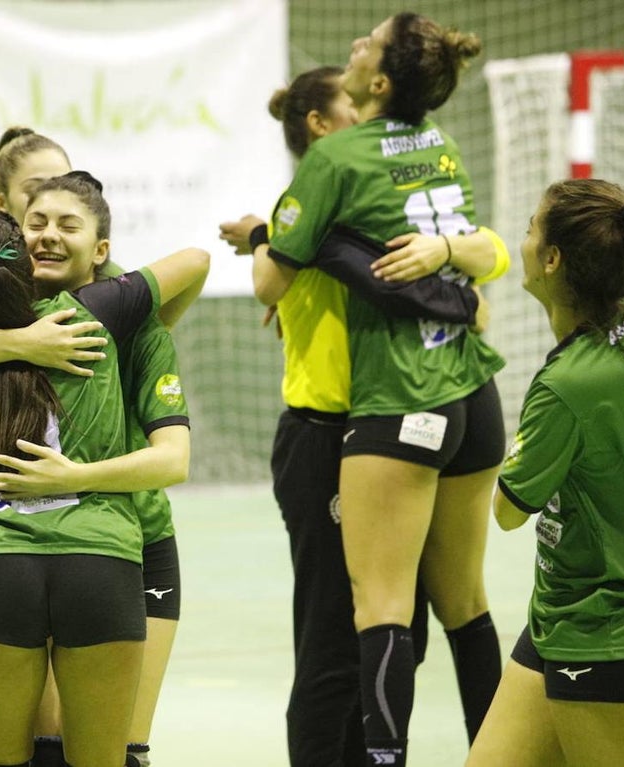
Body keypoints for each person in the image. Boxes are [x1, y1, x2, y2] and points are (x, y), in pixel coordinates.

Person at [220, 67, 510, 766]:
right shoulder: (316, 202)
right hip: (327, 435)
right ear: (321, 125)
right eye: (357, 106)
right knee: (333, 640)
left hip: (392, 426)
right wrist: (265, 235)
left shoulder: (381, 206)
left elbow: (486, 268)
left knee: (401, 622)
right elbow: (270, 275)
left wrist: (456, 276)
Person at [0, 147, 195, 767]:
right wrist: (26, 342)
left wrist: (70, 475)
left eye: (69, 224)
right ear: (13, 237)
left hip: (128, 544)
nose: (50, 235)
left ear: (102, 249)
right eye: (37, 222)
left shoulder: (128, 322)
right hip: (98, 553)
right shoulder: (92, 323)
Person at [466, 180, 624, 767]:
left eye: (533, 228)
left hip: (605, 628)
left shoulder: (566, 388)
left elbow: (509, 510)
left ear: (554, 259)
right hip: (556, 617)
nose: (525, 237)